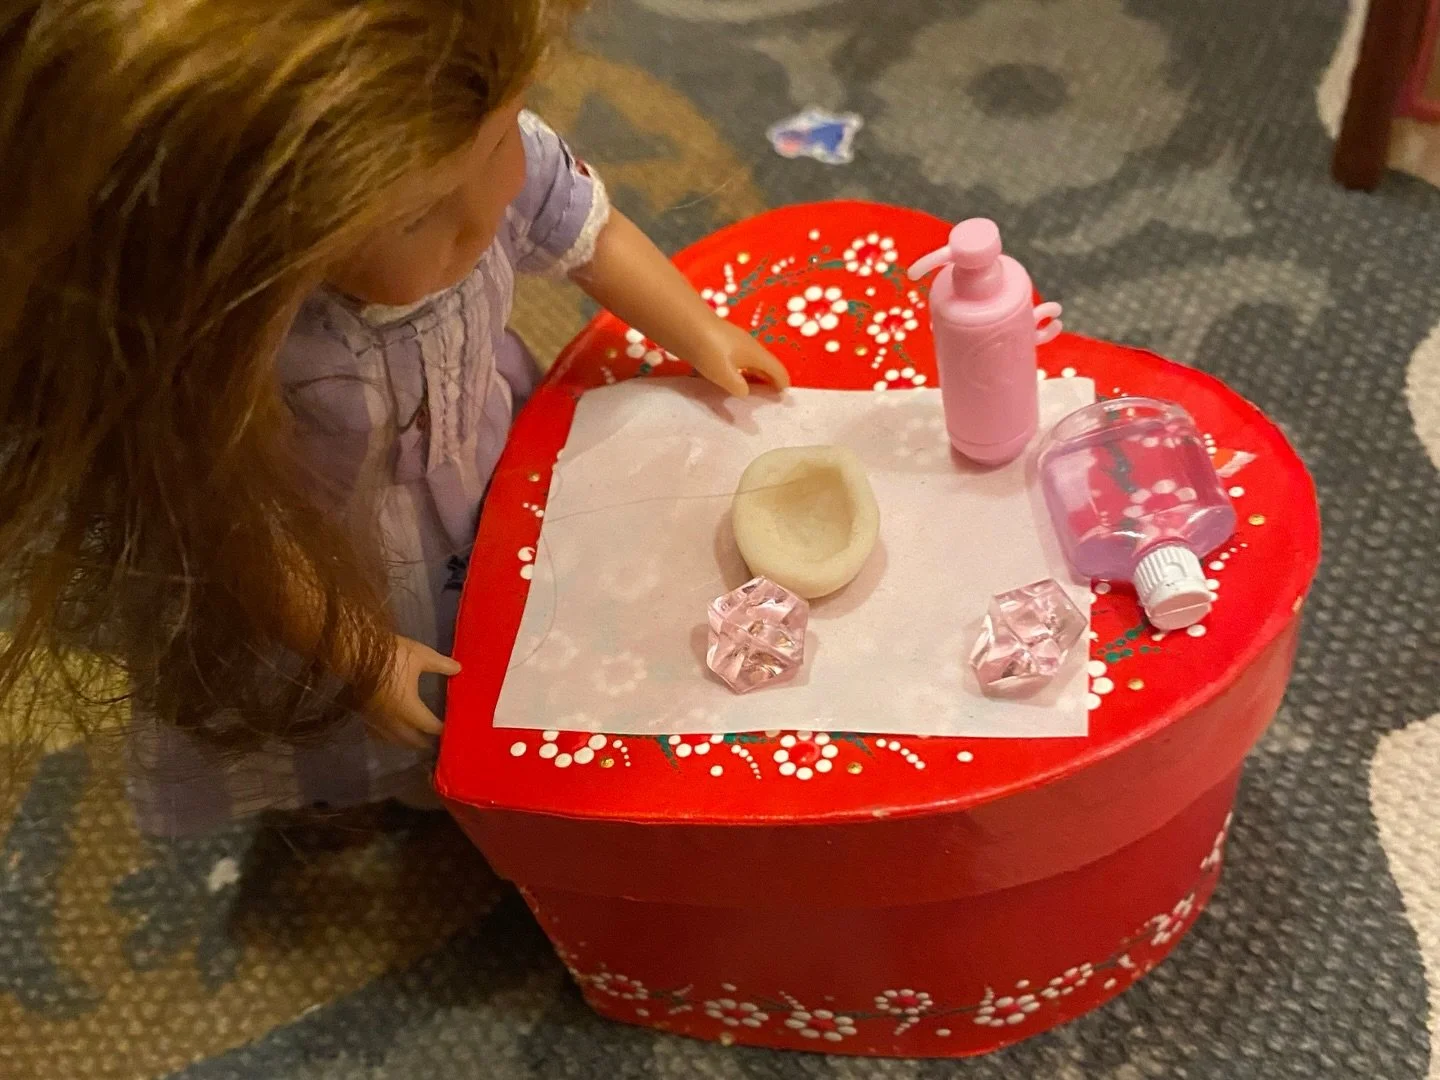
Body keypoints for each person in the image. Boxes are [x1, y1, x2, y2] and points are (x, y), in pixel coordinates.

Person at [0, 0, 788, 834]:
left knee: (505, 637)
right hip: (339, 565)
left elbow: (589, 232)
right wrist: (357, 652)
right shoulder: (235, 344)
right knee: (375, 716)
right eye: (416, 216)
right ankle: (375, 789)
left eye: (506, 137)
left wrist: (695, 328)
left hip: (484, 459)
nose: (491, 209)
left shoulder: (456, 142)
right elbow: (231, 524)